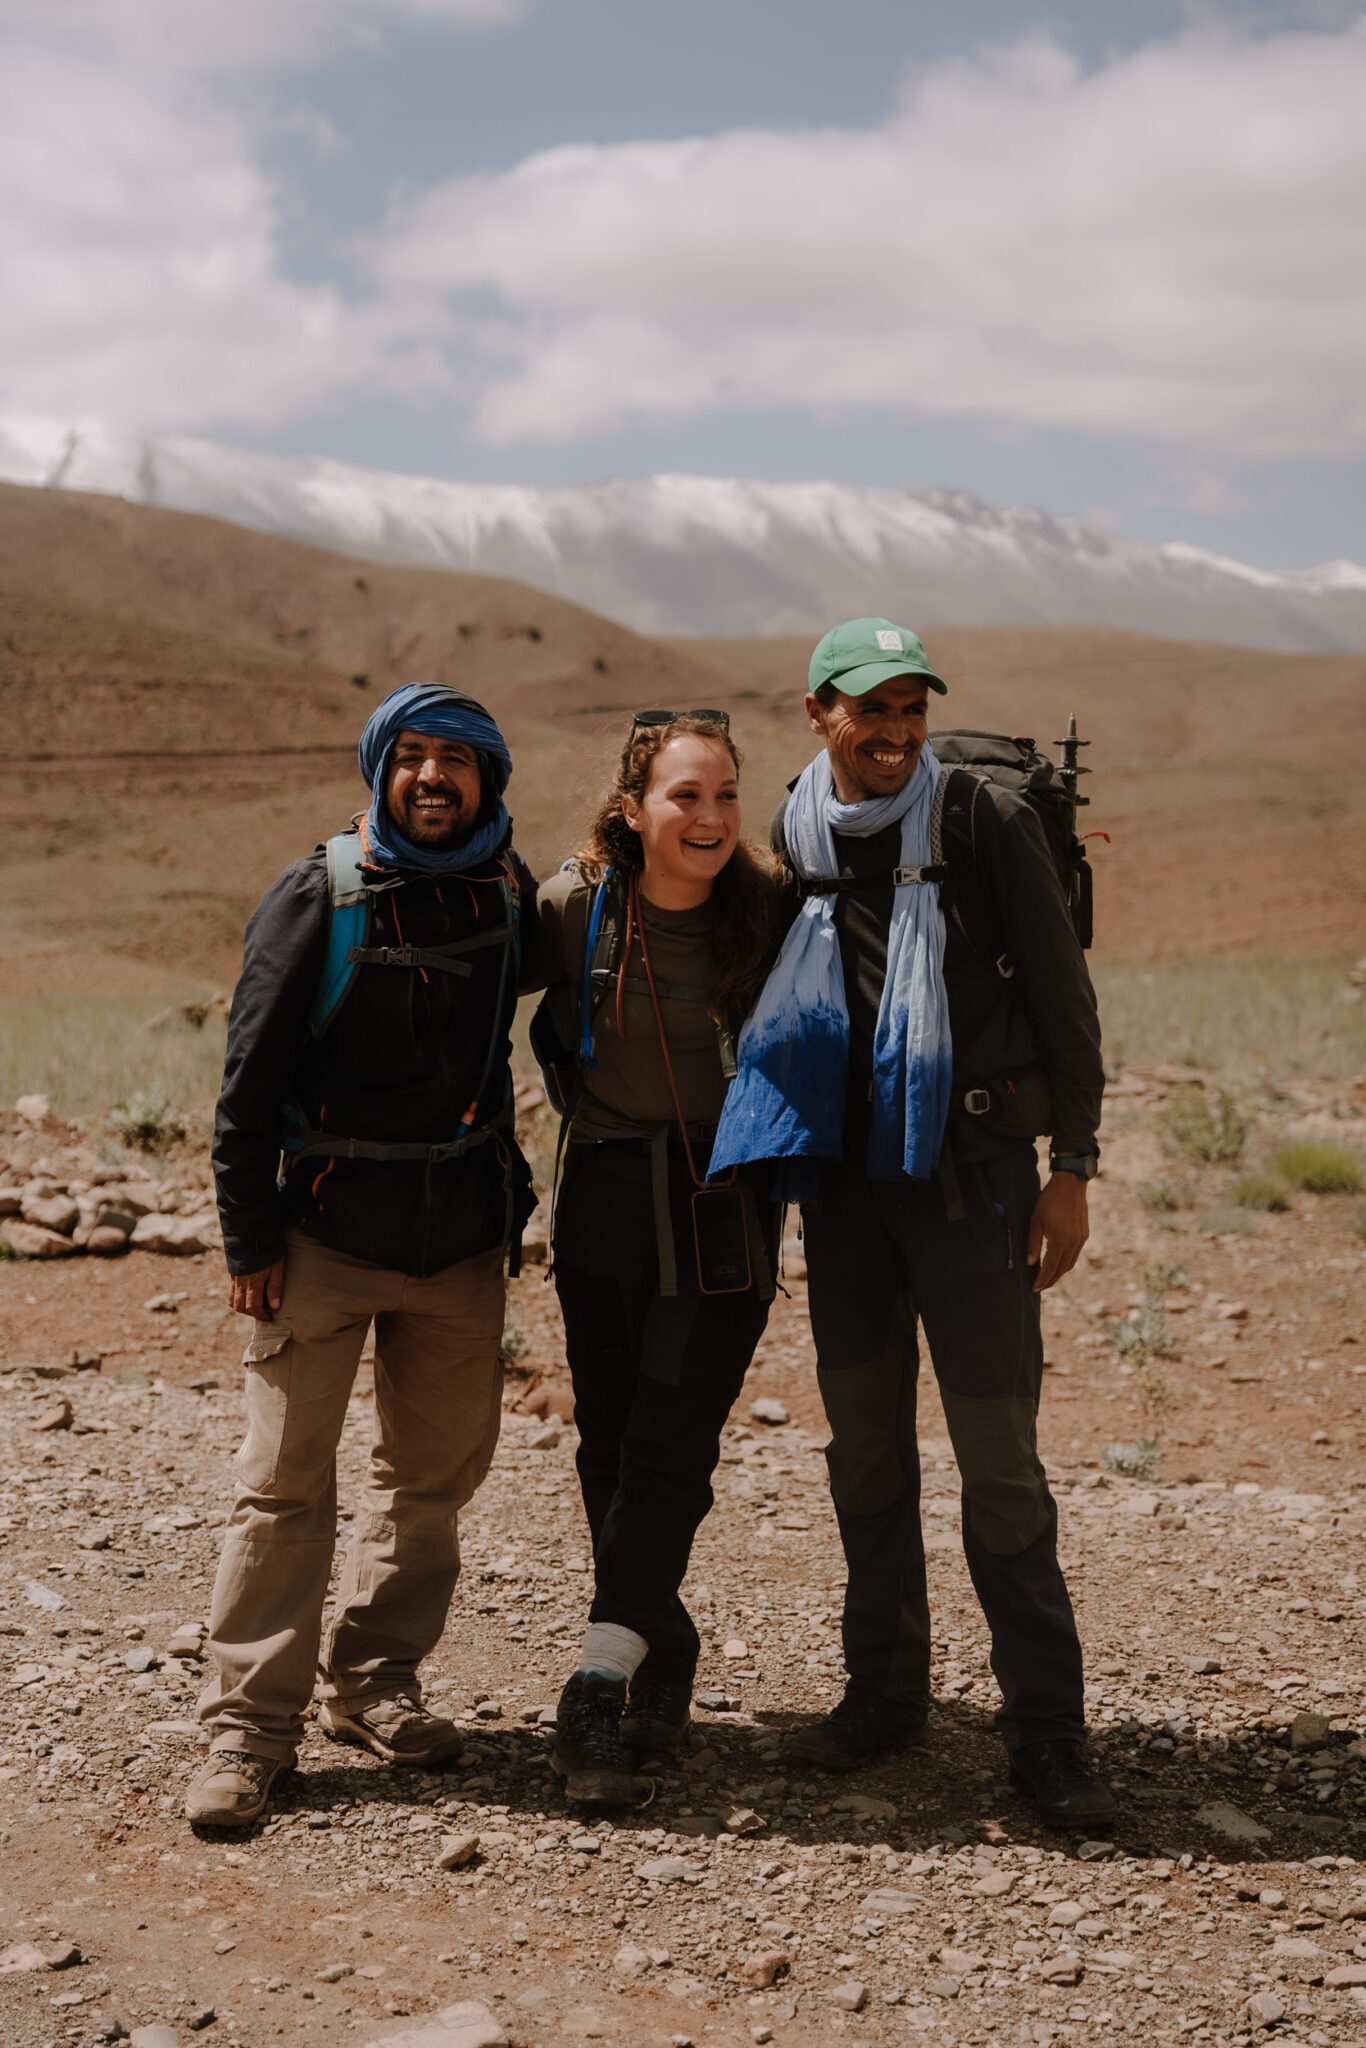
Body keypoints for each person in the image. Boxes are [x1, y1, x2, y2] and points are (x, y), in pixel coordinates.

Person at [710, 618, 1114, 1830]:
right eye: (869, 708)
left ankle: (1047, 1732)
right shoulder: (793, 826)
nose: (893, 731)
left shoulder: (975, 819)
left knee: (998, 1462)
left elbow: (1063, 994)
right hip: (844, 1191)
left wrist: (1072, 1166)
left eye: (910, 708)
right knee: (866, 1452)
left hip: (973, 1185)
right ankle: (884, 1696)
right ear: (817, 712)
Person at [186, 682, 536, 1830]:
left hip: (459, 1245)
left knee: (429, 1483)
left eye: (455, 759)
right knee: (284, 1486)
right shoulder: (319, 893)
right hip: (320, 1242)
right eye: (412, 755)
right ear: (381, 769)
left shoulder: (506, 890)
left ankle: (373, 1683)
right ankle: (249, 1728)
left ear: (487, 778)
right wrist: (249, 1236)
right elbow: (247, 1078)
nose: (432, 777)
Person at [529, 710, 783, 1805]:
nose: (710, 816)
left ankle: (595, 1682)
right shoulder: (573, 906)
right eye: (686, 795)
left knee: (671, 1441)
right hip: (603, 1191)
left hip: (725, 1203)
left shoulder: (771, 910)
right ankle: (657, 1643)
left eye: (725, 794)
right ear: (633, 809)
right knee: (609, 1436)